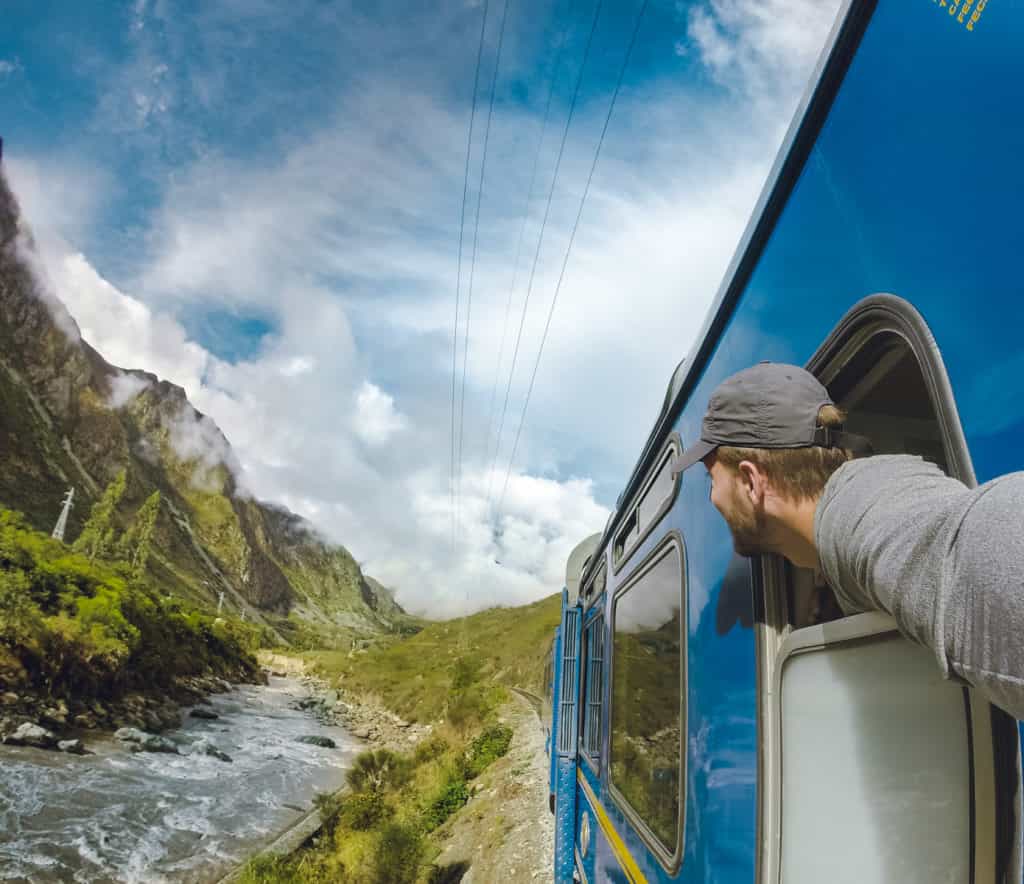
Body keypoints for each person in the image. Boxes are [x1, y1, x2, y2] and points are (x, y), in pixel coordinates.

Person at [672, 361, 1024, 720]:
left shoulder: (861, 514)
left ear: (751, 482)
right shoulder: (841, 533)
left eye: (710, 477)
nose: (713, 496)